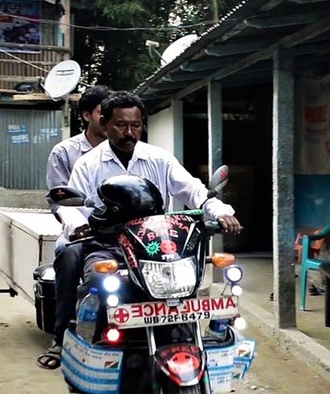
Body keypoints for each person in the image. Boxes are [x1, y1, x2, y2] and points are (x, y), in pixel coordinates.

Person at [65, 91, 242, 311]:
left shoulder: (160, 159)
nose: (129, 132)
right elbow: (75, 207)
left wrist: (219, 212)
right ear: (104, 123)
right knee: (94, 282)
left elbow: (193, 190)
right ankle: (70, 332)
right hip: (109, 245)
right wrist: (78, 225)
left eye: (136, 125)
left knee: (187, 286)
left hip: (156, 246)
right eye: (121, 125)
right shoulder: (88, 164)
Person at [37, 85, 110, 370]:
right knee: (67, 256)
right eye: (103, 114)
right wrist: (77, 225)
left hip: (119, 231)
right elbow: (61, 201)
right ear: (86, 116)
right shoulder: (65, 153)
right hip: (80, 231)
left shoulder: (128, 149)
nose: (109, 121)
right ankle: (60, 336)